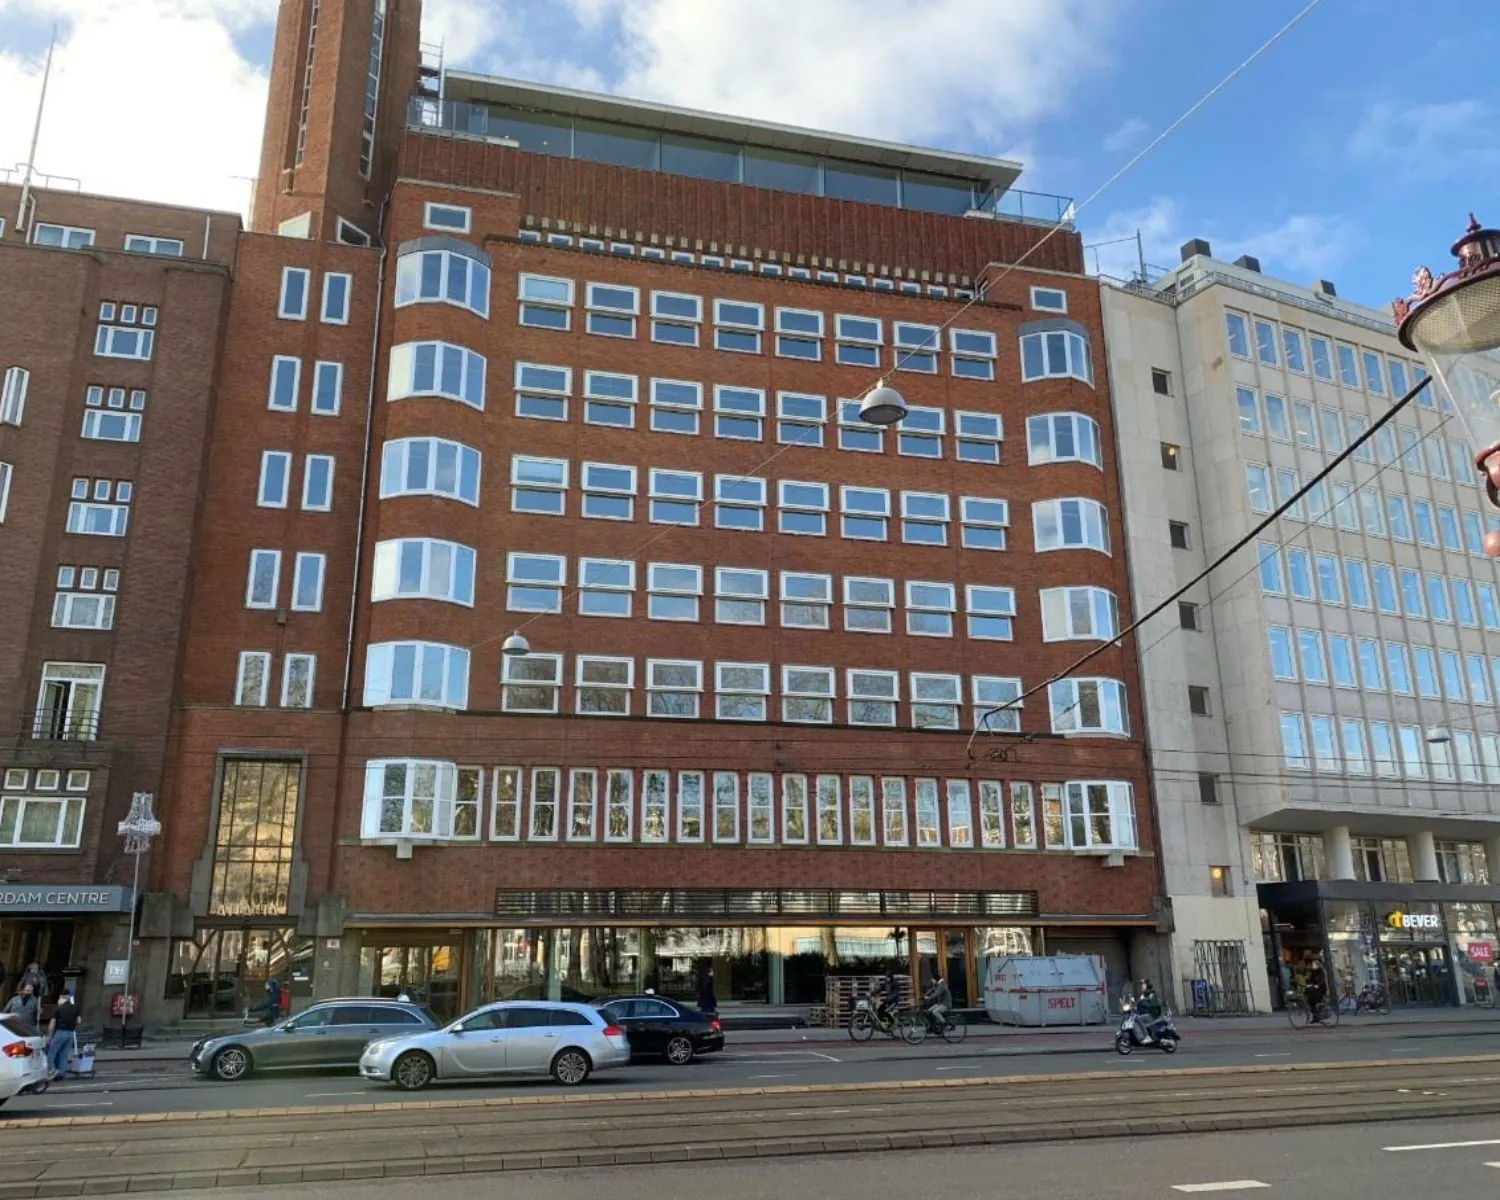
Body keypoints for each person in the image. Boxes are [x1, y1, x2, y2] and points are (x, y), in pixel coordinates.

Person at [46, 990, 79, 1081]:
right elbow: (79, 1021)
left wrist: (49, 1036)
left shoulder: (58, 1009)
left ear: (62, 998)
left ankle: (52, 1071)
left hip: (60, 1032)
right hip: (70, 1033)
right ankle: (61, 1074)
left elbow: (52, 1023)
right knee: (63, 1055)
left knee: (51, 1053)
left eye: (59, 999)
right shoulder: (75, 1008)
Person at [1304, 956, 1328, 1022]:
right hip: (1314, 988)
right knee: (1310, 998)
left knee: (1315, 1000)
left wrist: (1317, 985)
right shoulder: (1312, 972)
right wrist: (1308, 980)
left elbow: (1322, 980)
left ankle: (1318, 1015)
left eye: (1313, 964)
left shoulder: (1321, 971)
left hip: (1321, 988)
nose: (1312, 966)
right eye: (1312, 965)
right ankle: (1315, 1016)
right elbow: (1310, 980)